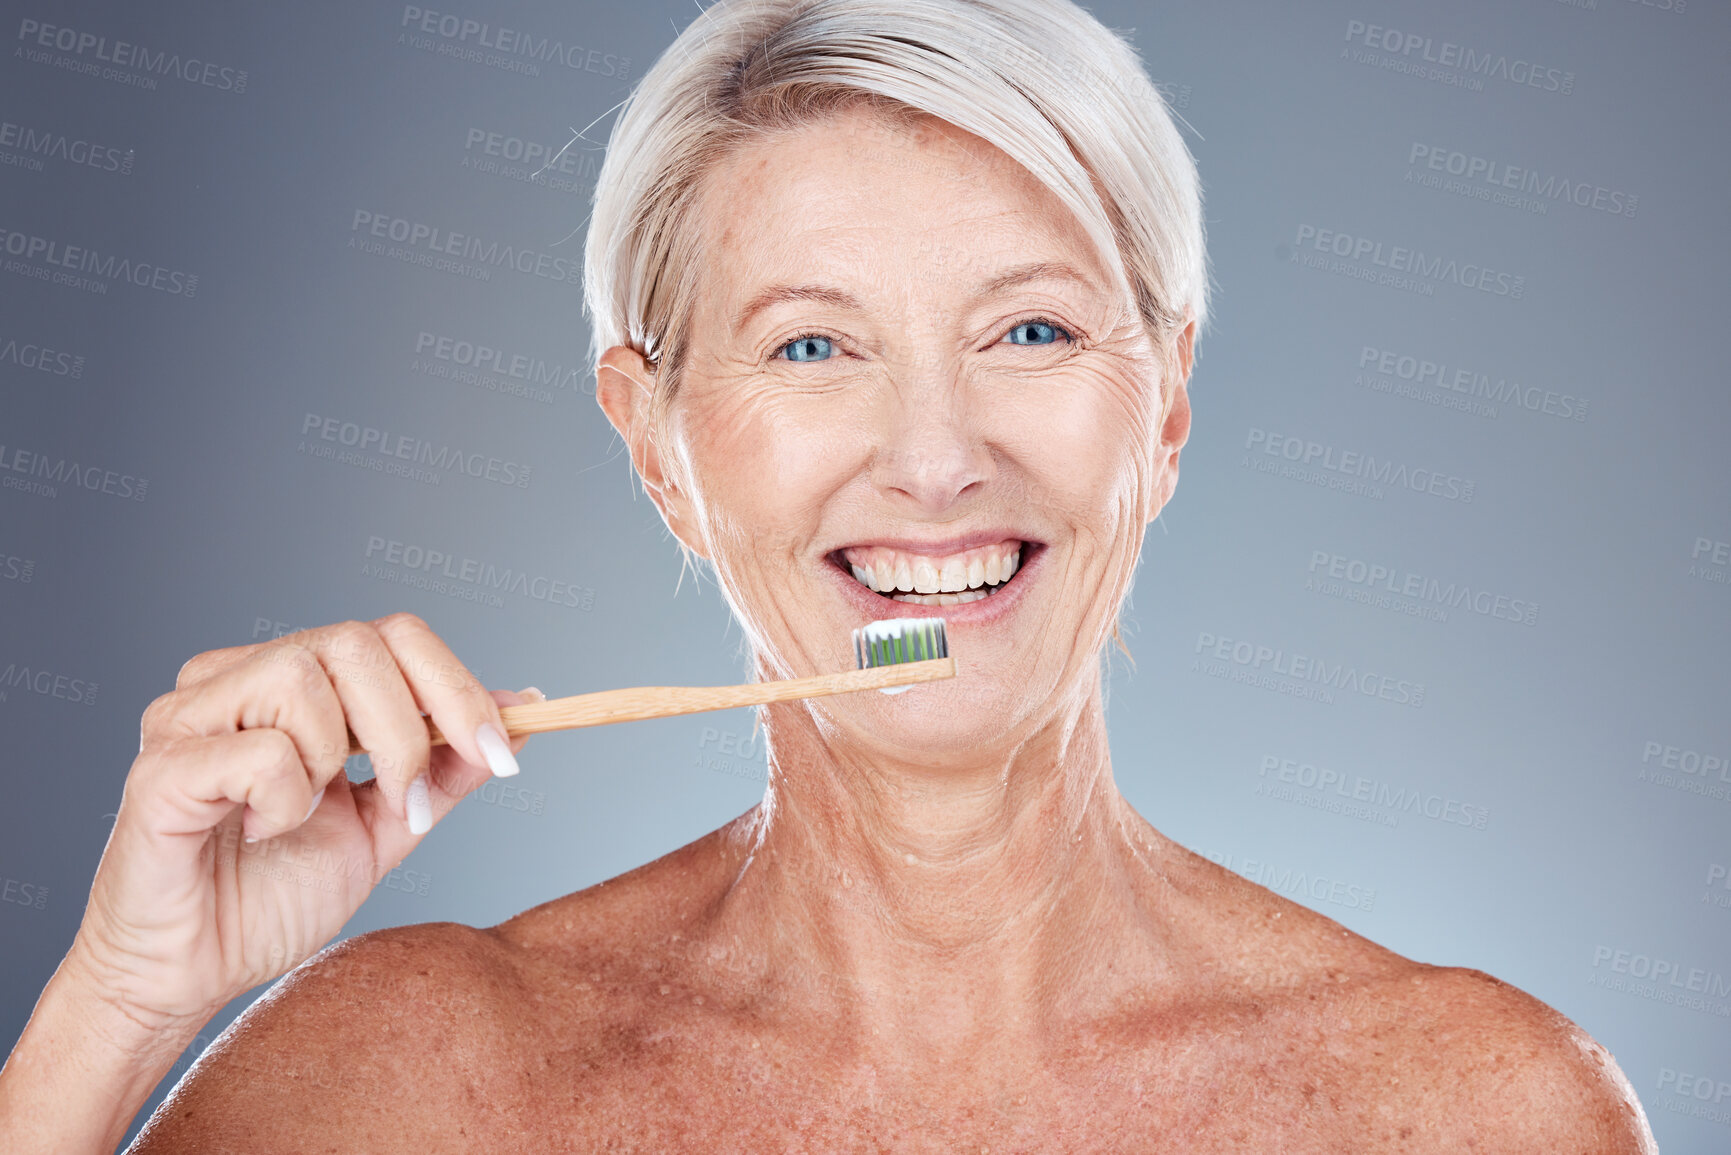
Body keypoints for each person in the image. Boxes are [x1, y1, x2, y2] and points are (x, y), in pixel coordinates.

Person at [0, 0, 1657, 1150]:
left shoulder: (1477, 1112)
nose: (934, 459)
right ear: (657, 442)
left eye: (1029, 330)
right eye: (812, 344)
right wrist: (119, 1008)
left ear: (1163, 407)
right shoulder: (399, 1089)